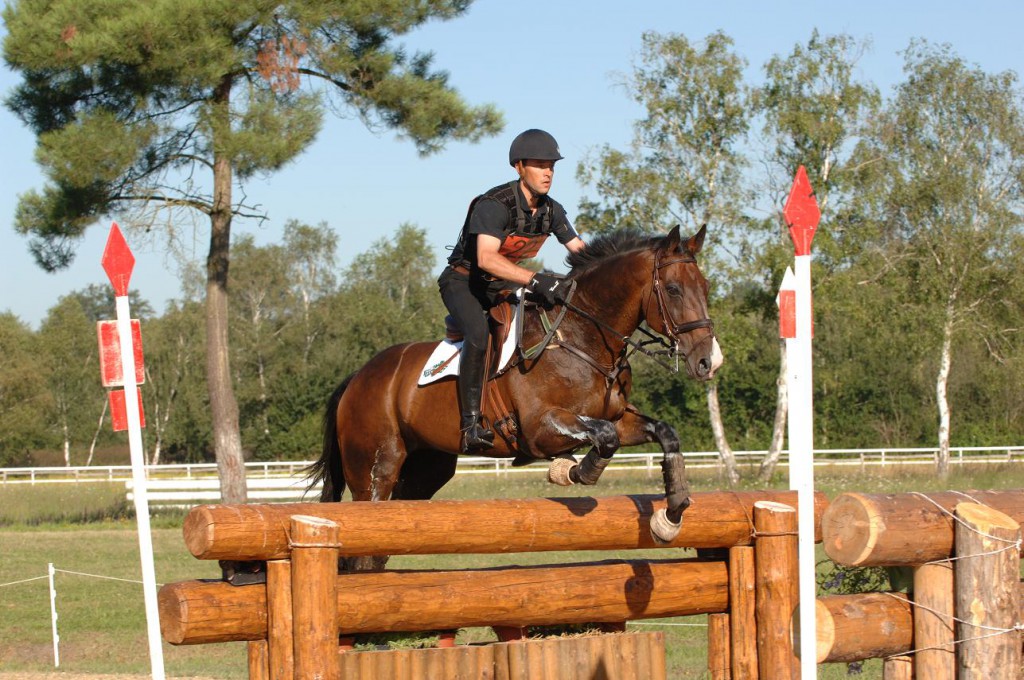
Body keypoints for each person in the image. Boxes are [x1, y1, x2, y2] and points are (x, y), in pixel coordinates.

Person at [438, 129, 586, 453]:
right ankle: (471, 424)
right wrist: (534, 280)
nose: (548, 172)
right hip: (464, 282)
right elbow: (485, 258)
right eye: (540, 165)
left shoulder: (552, 211)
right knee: (478, 333)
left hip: (503, 285)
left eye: (552, 166)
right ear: (519, 167)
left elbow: (581, 252)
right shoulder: (494, 205)